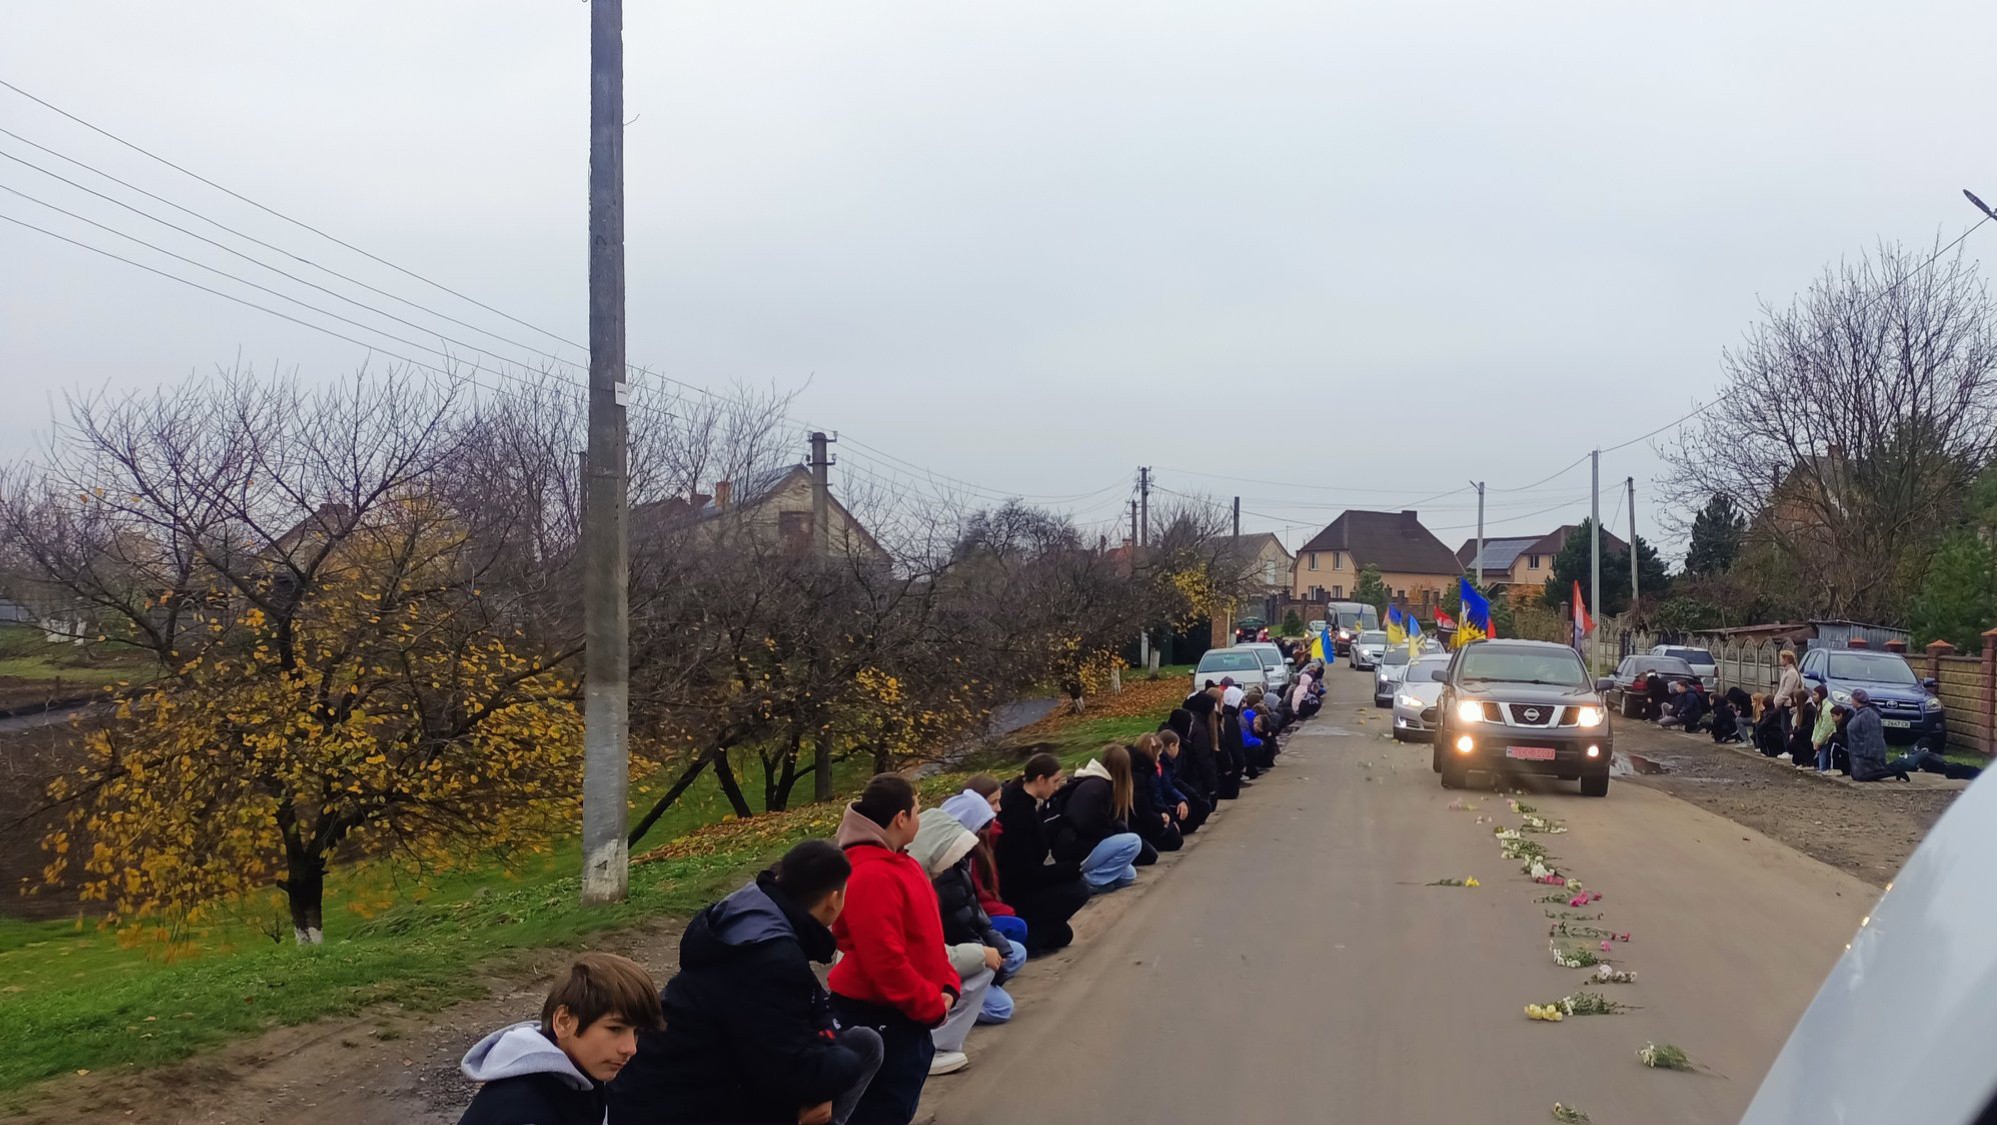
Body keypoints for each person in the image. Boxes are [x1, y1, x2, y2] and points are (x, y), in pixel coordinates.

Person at [607, 841, 882, 1125]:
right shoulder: (772, 957)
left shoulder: (753, 919)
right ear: (834, 899)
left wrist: (828, 1056)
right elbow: (786, 1068)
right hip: (682, 1100)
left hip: (683, 1073)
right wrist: (840, 1067)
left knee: (863, 1044)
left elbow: (812, 1010)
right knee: (852, 1057)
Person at [826, 775, 963, 1124]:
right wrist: (930, 1005)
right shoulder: (870, 873)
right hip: (880, 1013)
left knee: (899, 1105)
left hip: (906, 1012)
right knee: (882, 1111)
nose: (920, 816)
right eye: (918, 809)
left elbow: (927, 937)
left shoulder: (902, 862)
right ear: (901, 818)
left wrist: (948, 982)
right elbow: (884, 959)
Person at [460, 953, 664, 1125]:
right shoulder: (524, 1111)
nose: (630, 1048)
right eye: (615, 1028)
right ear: (564, 1021)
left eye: (636, 1032)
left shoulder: (584, 1077)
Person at [911, 798, 1018, 1030]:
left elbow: (974, 913)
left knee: (1014, 952)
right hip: (946, 960)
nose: (998, 809)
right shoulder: (928, 883)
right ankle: (940, 1035)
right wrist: (982, 954)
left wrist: (993, 944)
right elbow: (930, 949)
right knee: (1001, 1006)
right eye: (993, 802)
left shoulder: (955, 866)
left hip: (958, 951)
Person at [993, 753, 1093, 955]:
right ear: (1040, 779)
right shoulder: (1018, 813)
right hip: (1015, 890)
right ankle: (1023, 941)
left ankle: (1033, 932)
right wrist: (1066, 870)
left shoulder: (1027, 802)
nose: (1057, 787)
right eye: (1054, 781)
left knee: (1063, 935)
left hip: (1024, 881)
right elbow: (1025, 872)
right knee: (1079, 889)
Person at [944, 779, 1029, 951]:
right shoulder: (964, 850)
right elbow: (969, 898)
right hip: (969, 925)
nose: (999, 808)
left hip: (980, 915)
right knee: (1017, 933)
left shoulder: (990, 835)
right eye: (993, 802)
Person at [1050, 747, 1146, 893]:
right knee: (1134, 842)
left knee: (1128, 875)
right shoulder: (1096, 787)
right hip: (1078, 848)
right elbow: (1086, 821)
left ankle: (1098, 880)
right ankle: (1089, 881)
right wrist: (1112, 831)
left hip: (1079, 846)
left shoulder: (1096, 783)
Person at [1125, 733, 1184, 857]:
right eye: (1158, 755)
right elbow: (1144, 808)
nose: (1158, 759)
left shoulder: (1144, 772)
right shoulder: (1142, 776)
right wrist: (1161, 819)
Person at [1843, 689, 1910, 782]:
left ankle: (1894, 769)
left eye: (1852, 698)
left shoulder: (1868, 714)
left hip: (1865, 755)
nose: (1851, 701)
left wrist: (1871, 755)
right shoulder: (1859, 713)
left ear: (1856, 700)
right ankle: (1893, 769)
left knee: (1861, 777)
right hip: (1858, 754)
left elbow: (1873, 736)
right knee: (1857, 776)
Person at [1155, 728, 1210, 834]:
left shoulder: (1167, 763)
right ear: (1171, 746)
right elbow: (1167, 787)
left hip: (1169, 801)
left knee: (1201, 805)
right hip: (1166, 804)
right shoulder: (1164, 764)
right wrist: (1182, 799)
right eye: (1177, 746)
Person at [1808, 684, 1838, 771]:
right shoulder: (1820, 706)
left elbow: (1825, 728)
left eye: (1815, 694)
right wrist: (1815, 739)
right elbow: (1818, 725)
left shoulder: (1826, 709)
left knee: (1823, 767)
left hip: (1826, 741)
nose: (1813, 697)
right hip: (1822, 741)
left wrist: (1818, 741)